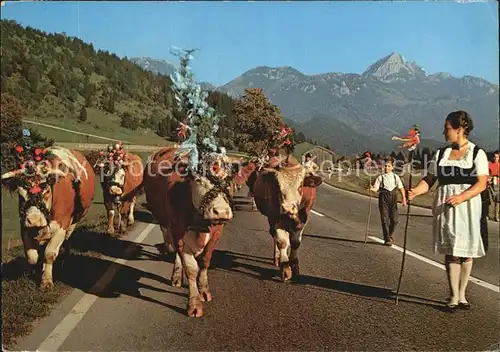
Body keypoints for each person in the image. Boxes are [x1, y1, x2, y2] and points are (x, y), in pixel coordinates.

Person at [408, 110, 488, 311]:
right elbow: (430, 180)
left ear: (460, 130)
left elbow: (481, 184)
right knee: (451, 250)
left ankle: (462, 294)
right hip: (446, 206)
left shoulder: (477, 154)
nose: (445, 133)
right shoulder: (441, 154)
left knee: (466, 251)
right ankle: (453, 295)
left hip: (467, 206)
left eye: (448, 129)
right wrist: (415, 192)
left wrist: (461, 197)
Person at [369, 157, 407, 246]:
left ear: (392, 167)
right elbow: (376, 188)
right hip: (383, 198)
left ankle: (389, 235)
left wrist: (404, 198)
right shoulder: (380, 177)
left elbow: (401, 188)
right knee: (385, 219)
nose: (386, 168)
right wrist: (372, 189)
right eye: (385, 166)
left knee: (394, 220)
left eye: (389, 166)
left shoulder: (395, 177)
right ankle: (387, 239)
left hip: (393, 197)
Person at [488, 150, 499, 221]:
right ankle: (490, 215)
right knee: (491, 200)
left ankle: (497, 216)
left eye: (497, 157)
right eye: (494, 157)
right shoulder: (489, 164)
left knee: (498, 200)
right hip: (491, 184)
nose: (495, 158)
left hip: (498, 183)